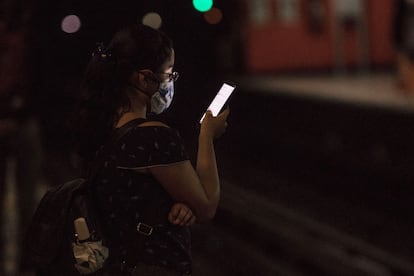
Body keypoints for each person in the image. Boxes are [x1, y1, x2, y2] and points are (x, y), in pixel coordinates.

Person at [71, 24, 229, 275]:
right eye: (169, 74)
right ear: (144, 78)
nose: (171, 82)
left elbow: (131, 196)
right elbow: (207, 206)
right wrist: (207, 136)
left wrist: (178, 202)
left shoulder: (99, 126)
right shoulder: (152, 137)